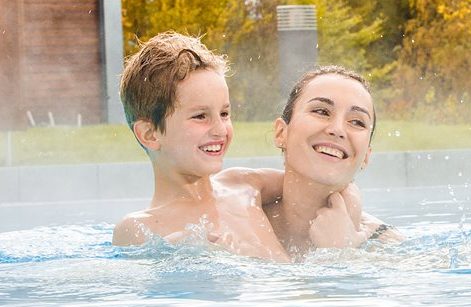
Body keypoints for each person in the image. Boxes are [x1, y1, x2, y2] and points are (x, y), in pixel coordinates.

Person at [112, 32, 290, 261]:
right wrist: (184, 254)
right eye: (200, 116)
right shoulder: (139, 228)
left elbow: (318, 184)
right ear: (149, 134)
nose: (220, 129)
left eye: (224, 113)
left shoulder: (244, 184)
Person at [264, 65, 398, 257]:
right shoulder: (233, 222)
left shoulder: (387, 247)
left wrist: (342, 254)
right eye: (321, 111)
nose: (338, 129)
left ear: (366, 157)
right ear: (281, 133)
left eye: (357, 122)